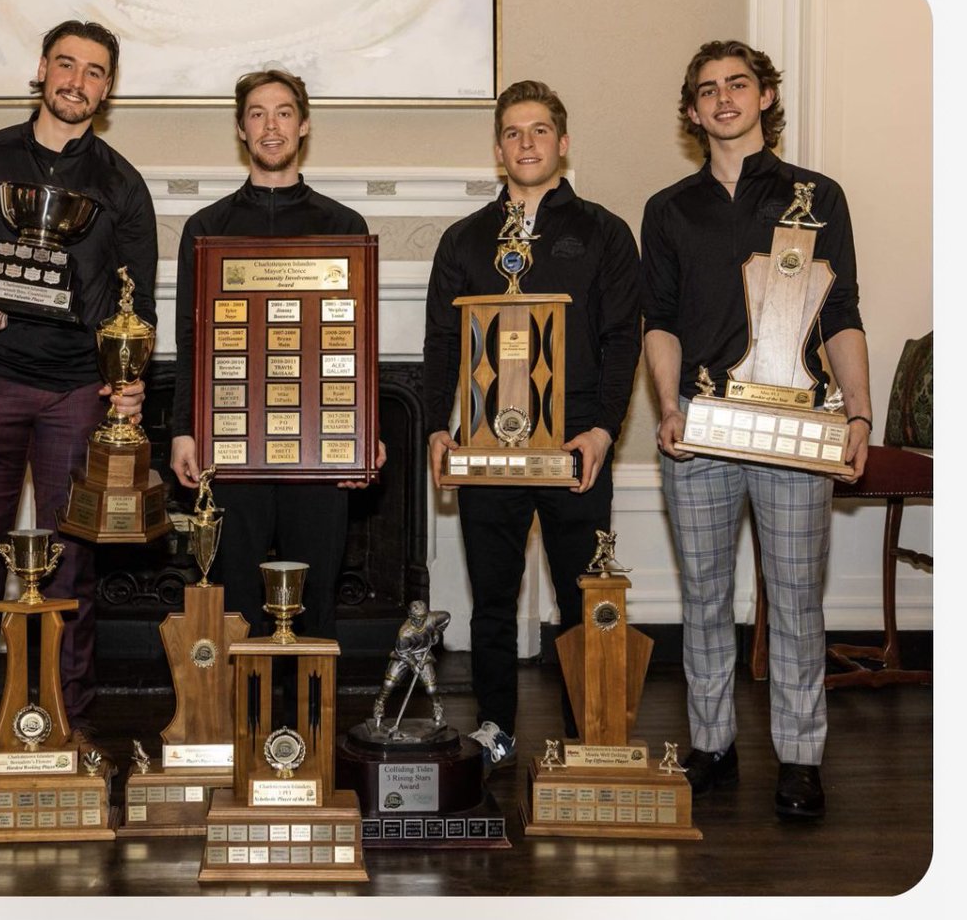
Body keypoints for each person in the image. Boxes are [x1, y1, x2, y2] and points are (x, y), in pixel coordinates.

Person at [0, 19, 158, 793]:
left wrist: (127, 378)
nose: (77, 82)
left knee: (71, 566)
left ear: (107, 89)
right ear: (42, 71)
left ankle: (69, 721)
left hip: (76, 393)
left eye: (94, 72)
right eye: (65, 65)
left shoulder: (121, 184)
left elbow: (137, 306)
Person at [640, 40, 871, 820]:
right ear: (693, 108)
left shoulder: (818, 195)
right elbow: (661, 320)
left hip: (796, 431)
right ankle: (712, 744)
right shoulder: (668, 208)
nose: (724, 99)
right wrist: (669, 406)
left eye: (738, 84)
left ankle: (801, 758)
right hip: (701, 428)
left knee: (796, 598)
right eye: (707, 89)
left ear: (765, 96)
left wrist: (859, 415)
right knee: (704, 598)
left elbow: (841, 315)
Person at [423, 80, 641, 774]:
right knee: (492, 599)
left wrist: (604, 430)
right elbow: (439, 344)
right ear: (497, 149)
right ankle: (495, 728)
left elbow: (621, 342)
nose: (527, 143)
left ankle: (590, 731)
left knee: (583, 597)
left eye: (540, 131)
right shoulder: (464, 240)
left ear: (563, 143)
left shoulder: (605, 232)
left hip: (576, 442)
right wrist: (437, 428)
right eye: (514, 133)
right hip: (487, 443)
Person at [170, 67, 384, 641]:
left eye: (284, 112)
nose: (271, 126)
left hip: (319, 448)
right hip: (229, 445)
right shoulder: (206, 227)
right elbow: (189, 339)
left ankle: (311, 723)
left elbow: (358, 347)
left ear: (304, 124)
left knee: (316, 597)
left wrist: (367, 432)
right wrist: (183, 431)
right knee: (234, 595)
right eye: (258, 114)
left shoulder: (344, 226)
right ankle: (243, 720)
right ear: (241, 129)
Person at [372, 600, 452, 726]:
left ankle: (437, 706)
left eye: (423, 618)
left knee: (431, 688)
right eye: (417, 618)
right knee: (389, 683)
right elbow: (402, 652)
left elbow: (446, 617)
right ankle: (380, 704)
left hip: (423, 655)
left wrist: (437, 632)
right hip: (404, 656)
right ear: (410, 615)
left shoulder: (432, 619)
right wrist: (414, 665)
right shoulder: (405, 632)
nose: (421, 621)